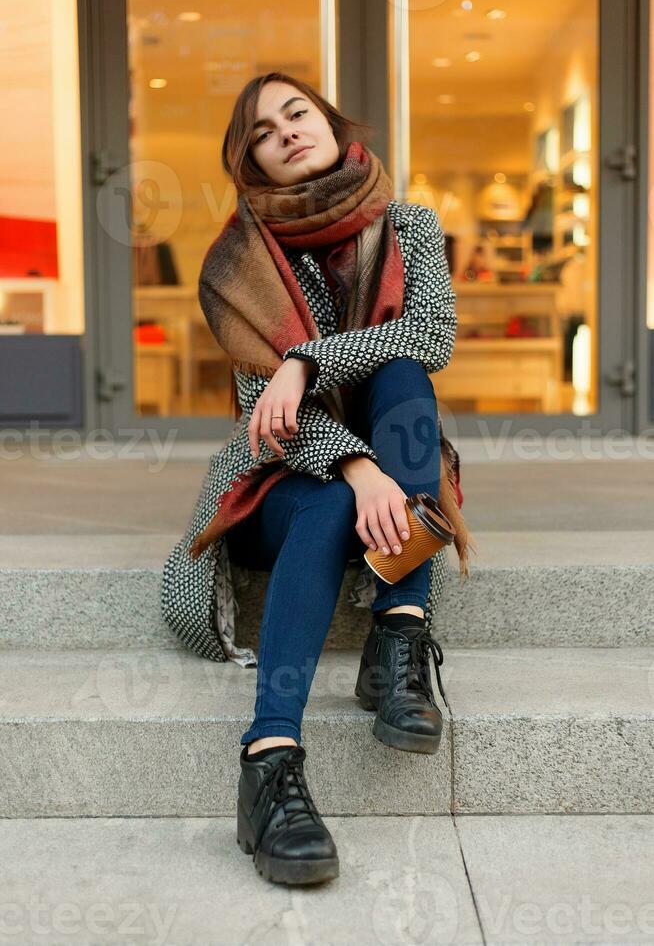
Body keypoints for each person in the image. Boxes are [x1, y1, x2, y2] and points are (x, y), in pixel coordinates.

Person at [190, 72, 468, 887]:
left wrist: (306, 359)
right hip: (284, 482)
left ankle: (400, 630)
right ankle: (270, 761)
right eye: (263, 133)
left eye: (296, 113)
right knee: (328, 500)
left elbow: (434, 332)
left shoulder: (408, 225)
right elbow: (265, 416)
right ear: (254, 166)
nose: (286, 132)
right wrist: (356, 467)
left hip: (399, 462)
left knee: (407, 374)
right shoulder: (236, 265)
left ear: (329, 121)